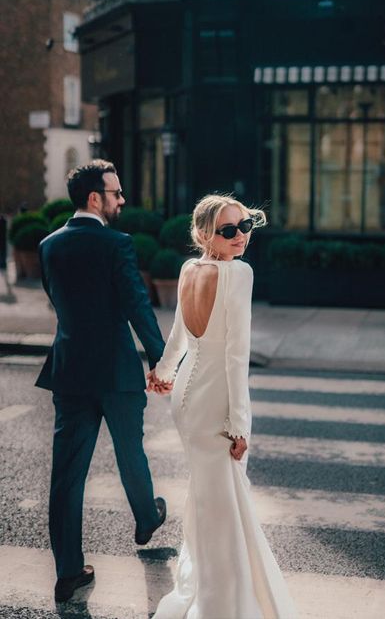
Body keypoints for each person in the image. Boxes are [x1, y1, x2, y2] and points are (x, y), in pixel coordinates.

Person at [148, 194, 297, 619]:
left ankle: (212, 591)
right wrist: (240, 424)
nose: (240, 237)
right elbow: (236, 356)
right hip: (214, 403)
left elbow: (177, 335)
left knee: (209, 496)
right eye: (228, 230)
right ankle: (223, 604)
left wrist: (162, 372)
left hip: (186, 400)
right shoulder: (238, 275)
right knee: (225, 504)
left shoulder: (188, 268)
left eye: (245, 226)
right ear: (203, 234)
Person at [36, 160, 167, 603]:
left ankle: (68, 573)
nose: (122, 200)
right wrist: (161, 360)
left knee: (67, 478)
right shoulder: (117, 244)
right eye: (116, 193)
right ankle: (147, 519)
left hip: (70, 371)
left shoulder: (48, 245)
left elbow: (55, 298)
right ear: (96, 198)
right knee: (131, 451)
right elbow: (137, 305)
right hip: (115, 371)